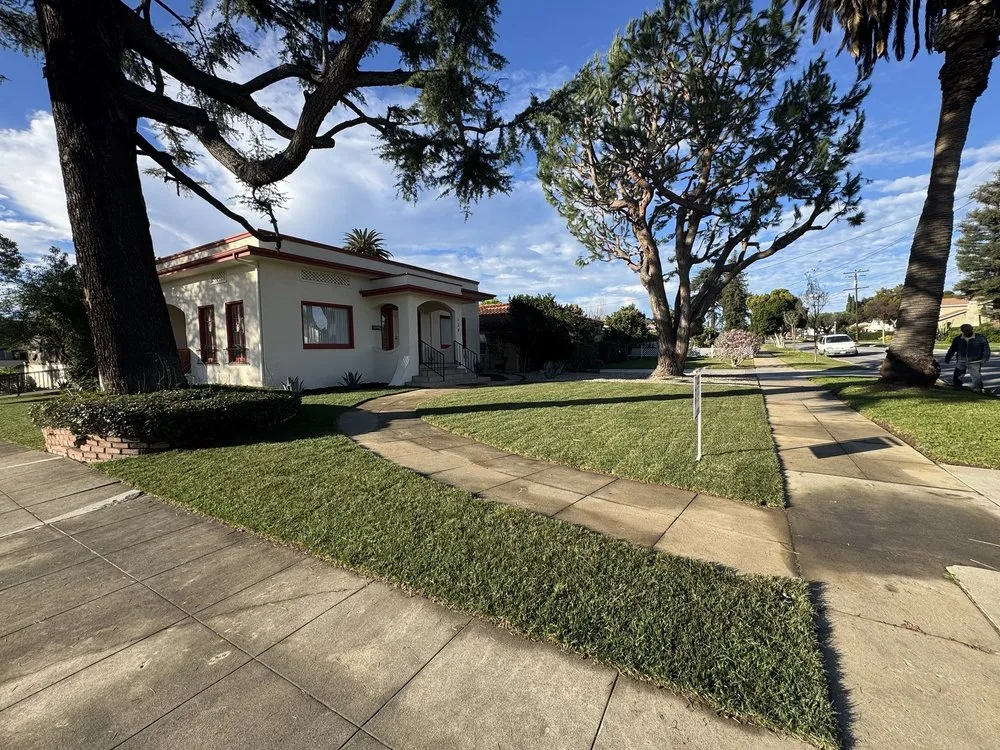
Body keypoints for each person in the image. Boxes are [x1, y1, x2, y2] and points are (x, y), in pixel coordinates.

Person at [944, 324, 991, 392]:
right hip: (961, 360)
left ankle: (978, 389)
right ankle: (957, 387)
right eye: (964, 330)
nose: (967, 332)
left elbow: (986, 348)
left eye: (968, 330)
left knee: (976, 376)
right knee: (958, 375)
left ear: (972, 329)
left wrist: (985, 358)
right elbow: (952, 349)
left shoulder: (980, 338)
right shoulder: (958, 339)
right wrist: (948, 358)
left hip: (975, 360)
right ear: (962, 331)